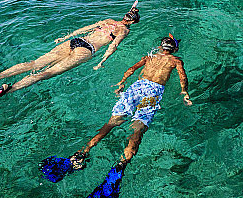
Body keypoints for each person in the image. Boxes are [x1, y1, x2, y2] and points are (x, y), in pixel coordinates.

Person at [0, 2, 140, 117]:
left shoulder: (108, 21)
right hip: (87, 49)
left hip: (77, 40)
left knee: (34, 64)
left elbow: (85, 28)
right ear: (132, 21)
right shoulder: (123, 30)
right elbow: (113, 46)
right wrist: (101, 62)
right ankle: (9, 88)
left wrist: (65, 37)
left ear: (125, 15)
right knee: (45, 74)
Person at [70, 35, 192, 173]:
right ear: (174, 49)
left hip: (136, 87)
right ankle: (122, 164)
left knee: (112, 122)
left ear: (161, 47)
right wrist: (184, 92)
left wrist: (121, 82)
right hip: (153, 91)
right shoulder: (176, 60)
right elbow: (182, 76)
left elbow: (132, 69)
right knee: (138, 128)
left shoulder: (149, 57)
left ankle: (84, 151)